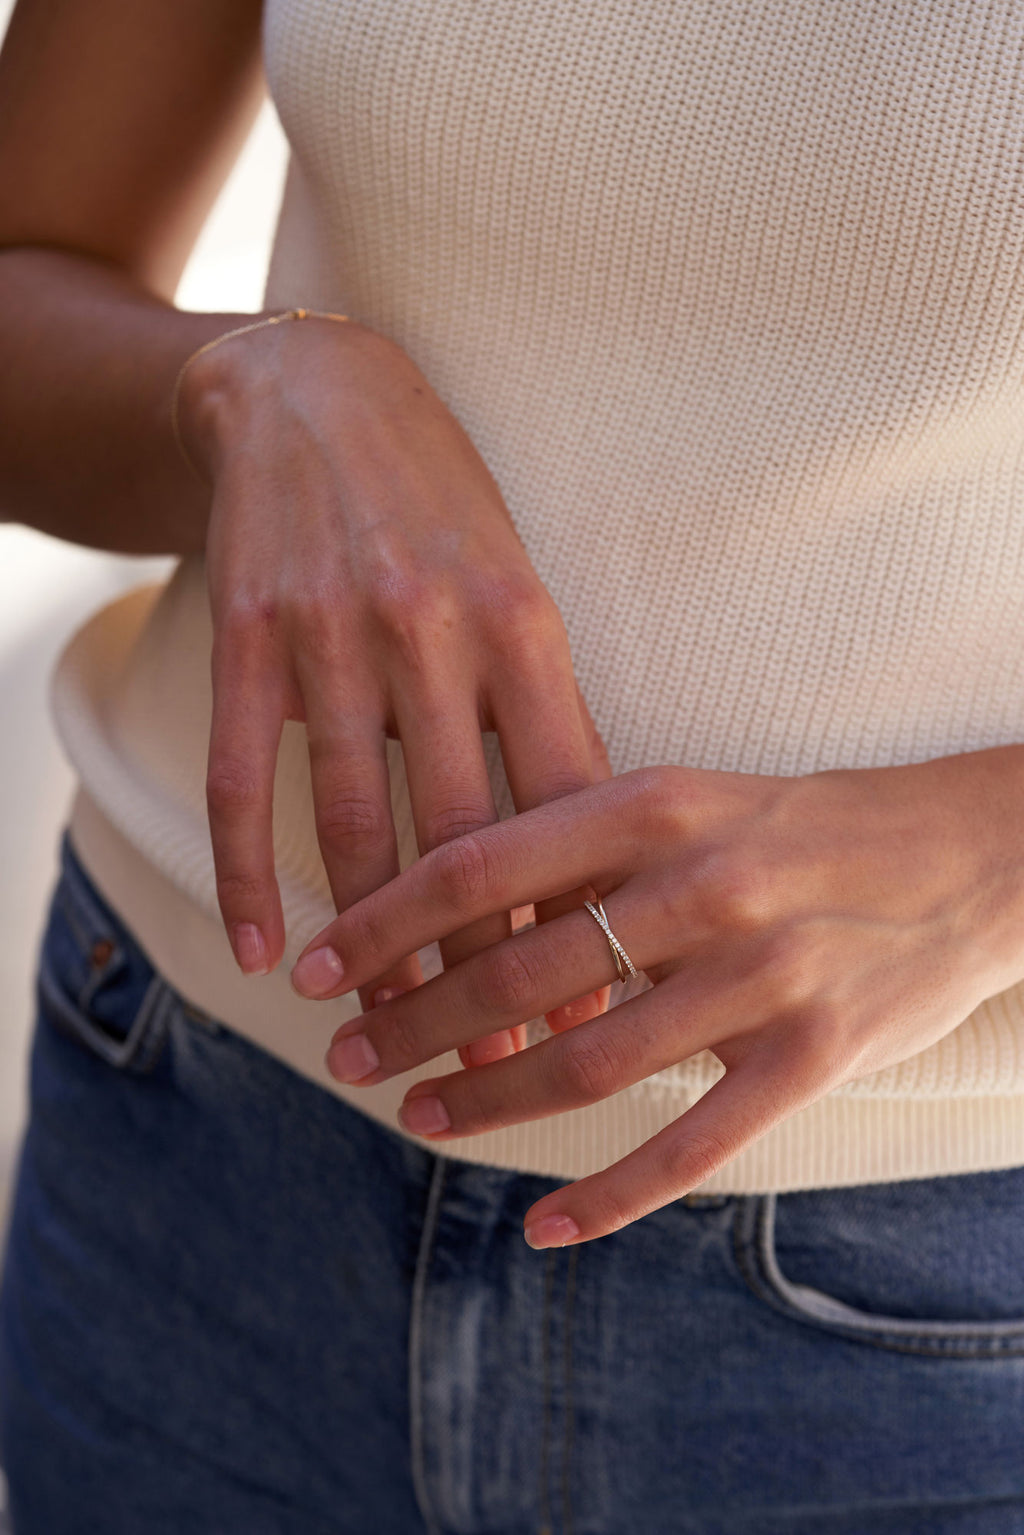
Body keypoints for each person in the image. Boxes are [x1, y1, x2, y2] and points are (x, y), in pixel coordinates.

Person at [2, 0, 1024, 1528]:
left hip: (927, 1301)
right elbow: (28, 278)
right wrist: (245, 386)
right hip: (192, 1161)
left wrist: (997, 854)